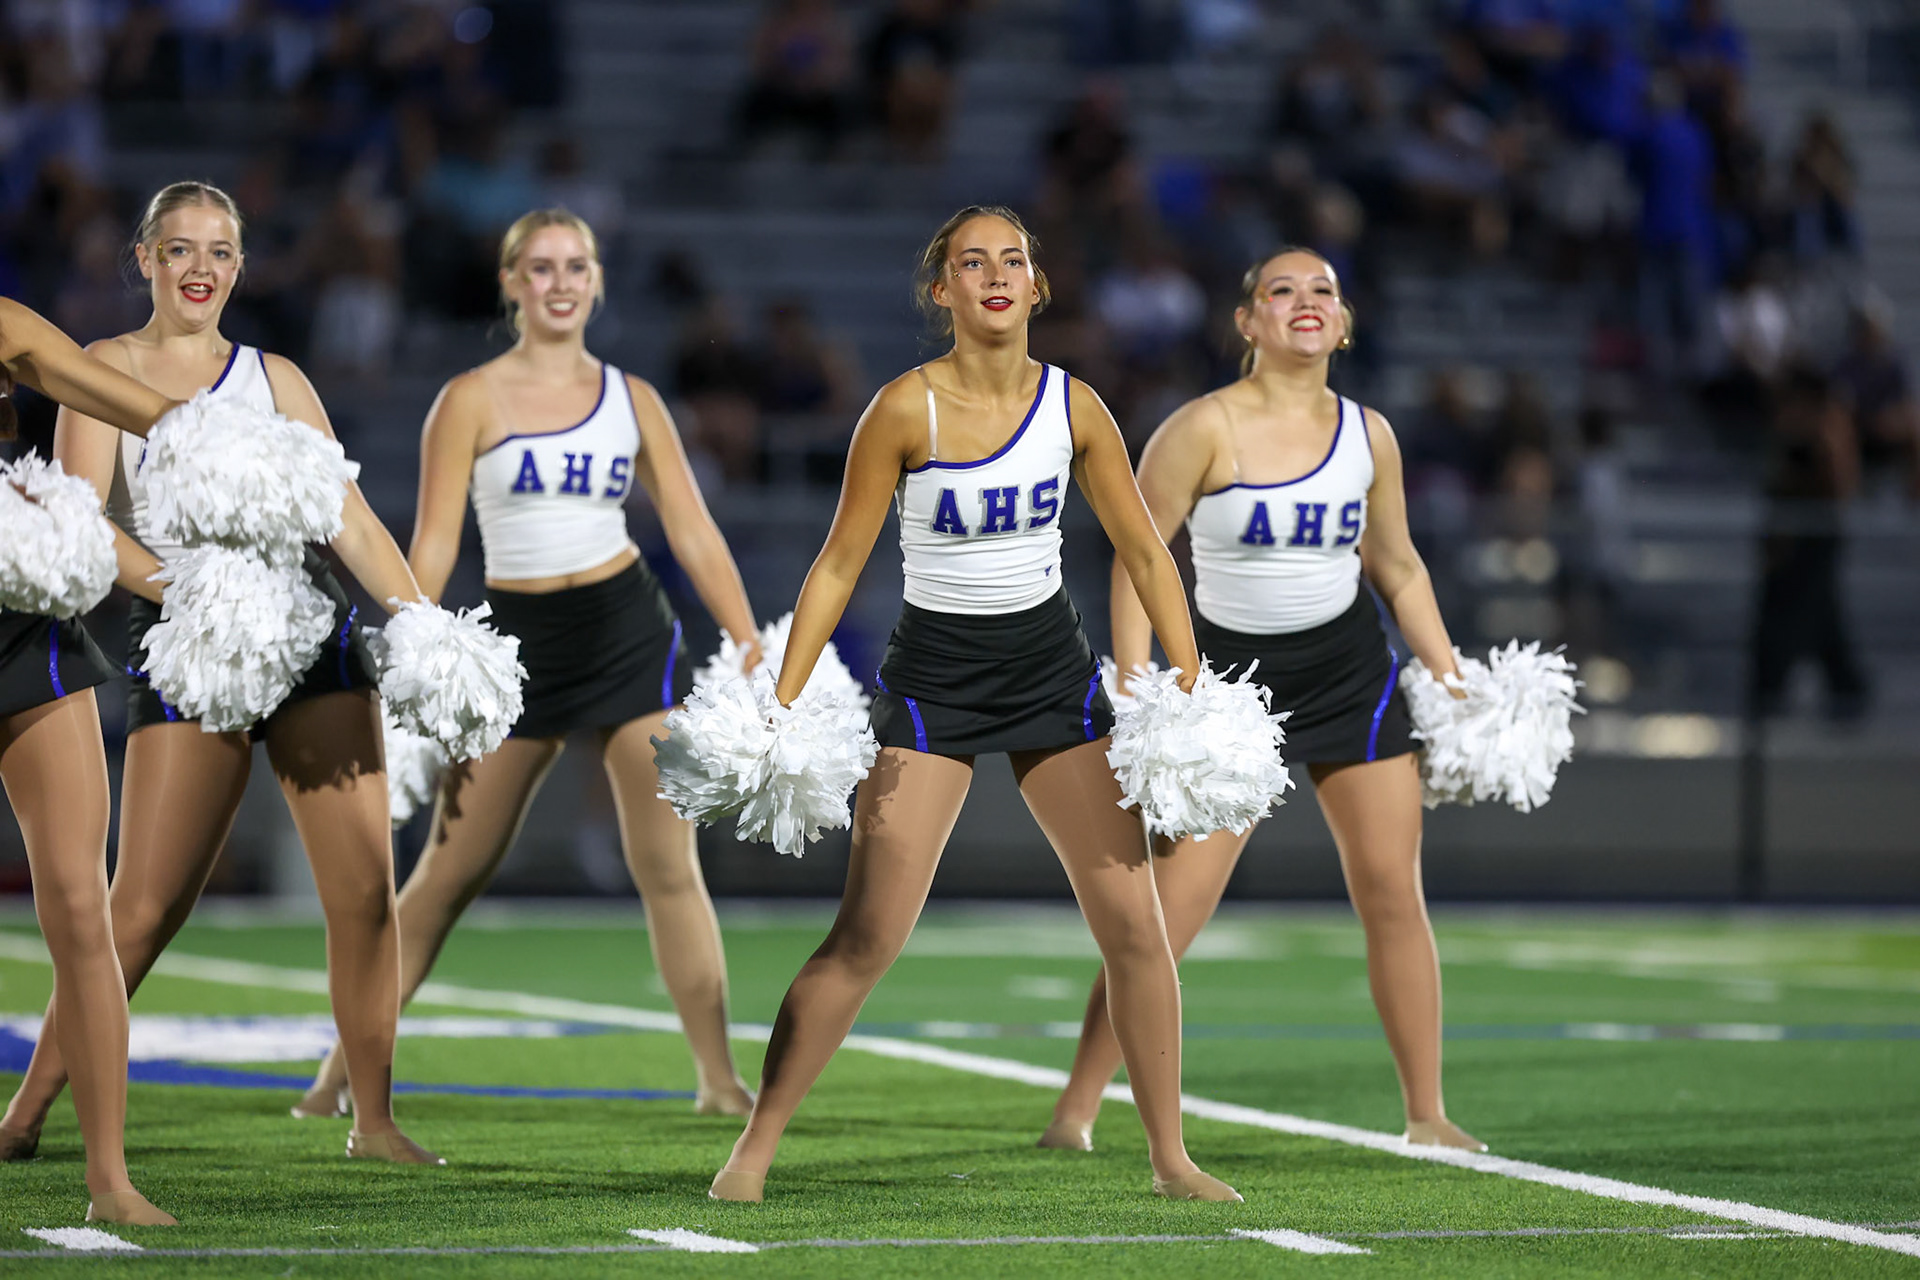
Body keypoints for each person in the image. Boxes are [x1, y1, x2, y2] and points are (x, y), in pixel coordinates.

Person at [708, 206, 1239, 1204]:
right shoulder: (902, 410)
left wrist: (1190, 677)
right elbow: (837, 566)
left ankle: (1171, 1158)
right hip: (933, 685)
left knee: (1136, 929)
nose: (995, 275)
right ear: (941, 289)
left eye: (1013, 260)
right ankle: (753, 1148)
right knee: (866, 935)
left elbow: (1143, 549)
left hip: (1050, 676)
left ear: (1038, 286)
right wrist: (778, 699)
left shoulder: (1077, 407)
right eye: (971, 262)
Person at [1, 181, 441, 1166]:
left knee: (364, 892)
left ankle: (373, 1121)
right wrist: (191, 589)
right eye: (180, 248)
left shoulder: (277, 378)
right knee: (141, 909)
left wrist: (420, 622)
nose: (200, 267)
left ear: (240, 268)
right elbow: (82, 522)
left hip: (310, 636)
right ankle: (25, 1113)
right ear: (145, 259)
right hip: (189, 644)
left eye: (220, 251)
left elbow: (348, 518)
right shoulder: (102, 367)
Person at [297, 209, 760, 1118]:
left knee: (669, 866)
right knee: (446, 873)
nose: (560, 283)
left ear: (596, 281)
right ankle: (335, 1075)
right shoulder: (468, 399)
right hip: (516, 649)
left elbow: (692, 529)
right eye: (540, 268)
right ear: (510, 282)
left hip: (627, 632)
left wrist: (746, 637)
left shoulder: (635, 399)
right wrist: (416, 645)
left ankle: (718, 1078)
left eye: (576, 266)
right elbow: (434, 543)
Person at [1038, 246, 1487, 1155]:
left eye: (1323, 289)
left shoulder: (1370, 434)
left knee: (1393, 892)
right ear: (1248, 322)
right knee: (1166, 915)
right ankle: (1076, 1107)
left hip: (1352, 675)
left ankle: (1427, 1112)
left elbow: (1397, 565)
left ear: (1344, 322)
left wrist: (1449, 676)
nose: (1305, 301)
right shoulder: (1202, 427)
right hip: (1231, 688)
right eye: (1281, 291)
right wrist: (1139, 687)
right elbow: (1140, 560)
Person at [0, 296, 180, 1224]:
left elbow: (131, 404)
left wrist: (232, 444)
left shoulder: (3, 322)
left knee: (79, 902)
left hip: (17, 616)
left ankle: (109, 1180)